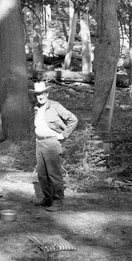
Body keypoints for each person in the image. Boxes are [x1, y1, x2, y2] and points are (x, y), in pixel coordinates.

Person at [31, 81, 78, 212]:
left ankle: (58, 200)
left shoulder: (55, 106)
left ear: (47, 93)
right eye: (37, 94)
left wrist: (64, 135)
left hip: (51, 143)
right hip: (39, 143)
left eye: (42, 93)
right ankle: (47, 199)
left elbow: (73, 119)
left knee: (53, 174)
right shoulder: (36, 107)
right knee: (42, 174)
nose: (39, 96)